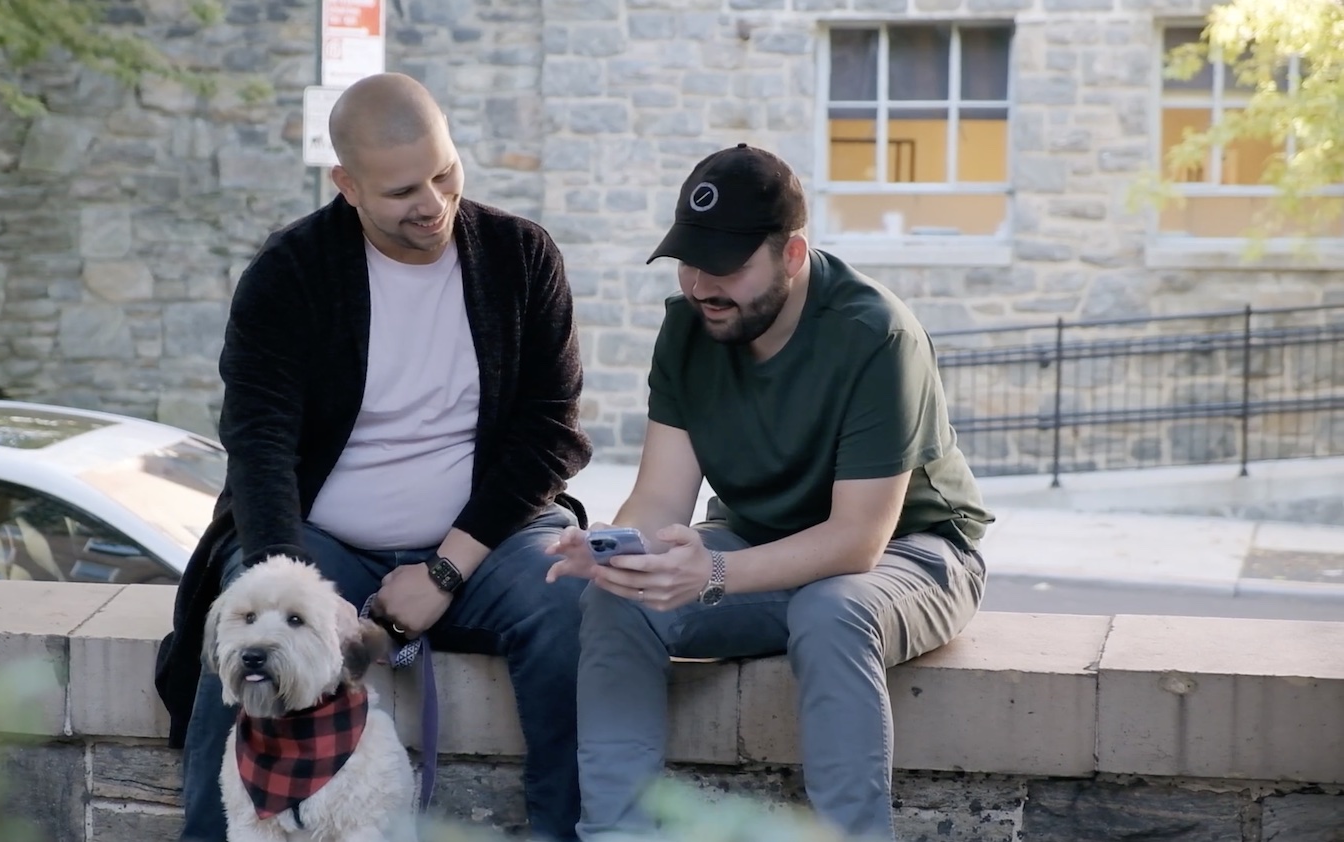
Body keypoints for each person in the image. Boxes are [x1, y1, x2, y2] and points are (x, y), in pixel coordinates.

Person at [154, 72, 593, 842]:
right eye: (400, 191)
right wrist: (296, 594)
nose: (432, 202)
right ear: (347, 185)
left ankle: (567, 830)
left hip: (487, 542)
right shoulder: (289, 274)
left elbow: (549, 432)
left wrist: (444, 572)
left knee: (567, 598)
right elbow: (259, 443)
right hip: (328, 547)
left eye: (445, 171)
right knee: (251, 614)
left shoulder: (521, 257)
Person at [546, 143, 994, 842]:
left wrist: (714, 572)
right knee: (616, 598)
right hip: (762, 542)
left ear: (791, 254)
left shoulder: (877, 335)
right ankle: (616, 833)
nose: (700, 285)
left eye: (725, 266)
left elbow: (857, 541)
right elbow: (661, 498)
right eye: (690, 260)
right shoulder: (690, 328)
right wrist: (614, 549)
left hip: (914, 553)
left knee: (831, 611)